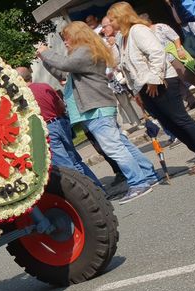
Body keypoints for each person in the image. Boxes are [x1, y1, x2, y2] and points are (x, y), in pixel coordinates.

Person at [39, 21, 160, 204]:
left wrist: (46, 52)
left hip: (96, 109)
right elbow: (62, 73)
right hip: (96, 109)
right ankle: (148, 174)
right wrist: (45, 58)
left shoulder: (85, 51)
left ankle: (139, 183)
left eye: (67, 38)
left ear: (78, 36)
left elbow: (64, 64)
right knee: (121, 144)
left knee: (114, 148)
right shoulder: (85, 53)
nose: (65, 42)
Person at [109, 2, 195, 175]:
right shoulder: (122, 38)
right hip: (143, 86)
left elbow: (157, 53)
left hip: (162, 81)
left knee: (179, 119)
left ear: (122, 17)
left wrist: (154, 80)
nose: (109, 23)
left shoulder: (138, 30)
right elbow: (125, 66)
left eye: (112, 19)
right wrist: (136, 92)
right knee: (169, 124)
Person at [16, 66, 103, 187]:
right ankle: (97, 188)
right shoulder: (44, 86)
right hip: (60, 123)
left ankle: (87, 191)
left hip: (46, 129)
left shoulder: (23, 96)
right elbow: (60, 105)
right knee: (76, 161)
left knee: (66, 166)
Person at [143, 14, 195, 108]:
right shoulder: (145, 35)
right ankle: (191, 101)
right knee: (175, 82)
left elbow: (175, 37)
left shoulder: (160, 27)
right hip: (161, 61)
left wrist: (179, 49)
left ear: (149, 20)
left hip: (172, 56)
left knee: (186, 75)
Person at [101, 16, 145, 130]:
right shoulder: (106, 42)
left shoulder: (123, 36)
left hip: (135, 73)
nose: (103, 30)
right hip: (121, 76)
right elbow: (111, 61)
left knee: (141, 96)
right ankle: (146, 117)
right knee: (135, 97)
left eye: (105, 27)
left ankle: (150, 116)